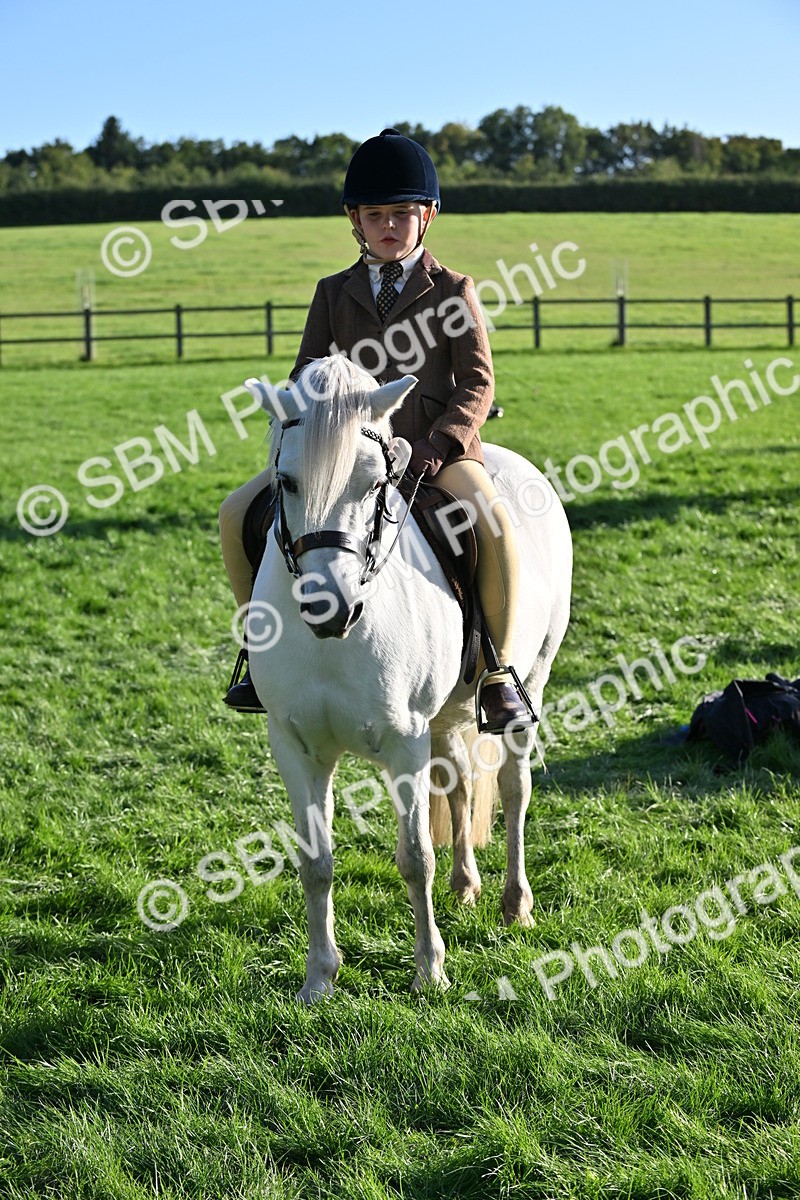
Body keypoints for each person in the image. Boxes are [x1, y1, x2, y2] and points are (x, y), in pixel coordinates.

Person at [219, 128, 533, 732]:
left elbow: (478, 383)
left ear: (428, 216)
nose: (388, 225)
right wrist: (298, 418)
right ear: (355, 220)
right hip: (342, 455)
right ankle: (261, 657)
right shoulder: (331, 293)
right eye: (374, 215)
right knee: (236, 513)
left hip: (436, 451)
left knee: (493, 521)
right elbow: (305, 374)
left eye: (400, 214)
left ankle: (498, 671)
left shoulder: (453, 290)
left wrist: (438, 446)